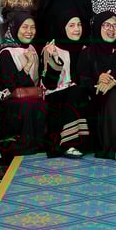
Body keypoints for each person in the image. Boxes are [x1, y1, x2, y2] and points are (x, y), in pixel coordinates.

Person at [77, 11, 116, 162]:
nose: (111, 29)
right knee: (110, 96)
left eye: (115, 26)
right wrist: (98, 81)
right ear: (98, 27)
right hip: (98, 101)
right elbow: (82, 80)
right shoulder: (87, 52)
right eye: (106, 25)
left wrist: (114, 81)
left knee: (113, 95)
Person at [0, 13, 47, 158]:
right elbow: (12, 87)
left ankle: (38, 145)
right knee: (27, 105)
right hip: (8, 99)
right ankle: (22, 146)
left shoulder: (32, 49)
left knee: (41, 104)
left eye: (32, 27)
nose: (29, 31)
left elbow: (36, 82)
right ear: (15, 28)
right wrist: (27, 66)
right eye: (25, 27)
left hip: (28, 97)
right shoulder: (6, 52)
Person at [41, 14, 90, 158]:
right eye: (72, 25)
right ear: (62, 28)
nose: (77, 29)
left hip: (77, 92)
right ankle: (69, 144)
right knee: (75, 92)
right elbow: (49, 84)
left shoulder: (84, 48)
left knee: (79, 92)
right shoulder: (51, 48)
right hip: (55, 93)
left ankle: (82, 143)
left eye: (79, 25)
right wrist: (55, 59)